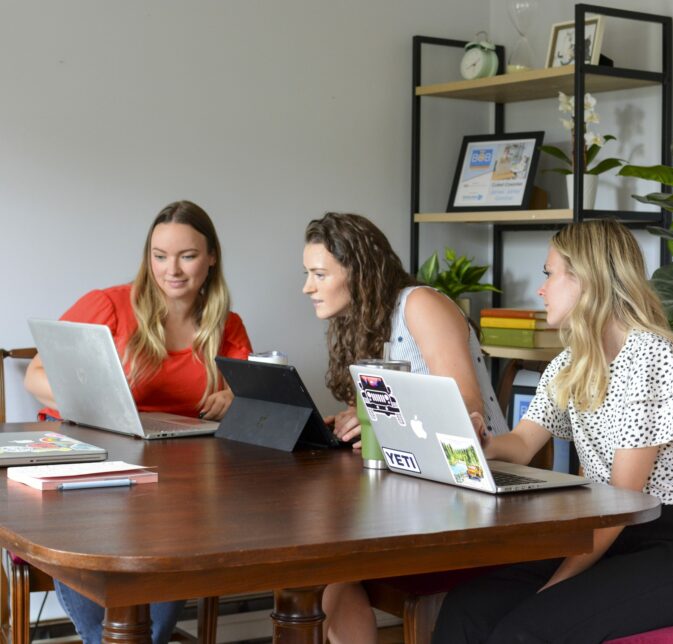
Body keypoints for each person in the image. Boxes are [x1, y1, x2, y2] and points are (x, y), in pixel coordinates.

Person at [431, 219, 673, 644]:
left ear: (586, 280)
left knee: (527, 629)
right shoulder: (571, 364)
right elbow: (519, 446)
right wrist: (476, 439)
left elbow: (625, 500)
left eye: (548, 274)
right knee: (467, 609)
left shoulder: (651, 357)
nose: (541, 288)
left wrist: (559, 582)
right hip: (608, 533)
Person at [25, 200, 252, 644]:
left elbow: (252, 398)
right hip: (86, 461)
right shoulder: (107, 305)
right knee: (92, 542)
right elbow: (36, 375)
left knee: (178, 531)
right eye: (159, 255)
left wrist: (233, 397)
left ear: (211, 258)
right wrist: (99, 400)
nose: (173, 269)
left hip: (172, 479)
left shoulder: (228, 325)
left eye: (187, 256)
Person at [302, 211, 508, 644]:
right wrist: (354, 418)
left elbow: (466, 407)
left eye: (320, 274)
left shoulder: (420, 304)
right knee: (329, 572)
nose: (308, 287)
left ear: (358, 272)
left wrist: (375, 416)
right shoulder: (363, 319)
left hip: (467, 493)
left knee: (331, 570)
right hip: (414, 488)